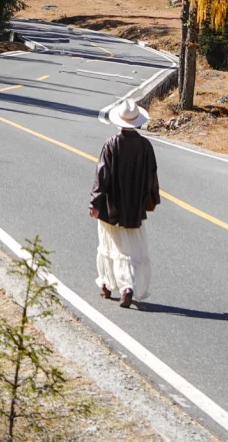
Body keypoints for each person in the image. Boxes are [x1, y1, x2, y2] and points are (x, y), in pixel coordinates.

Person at [89, 96, 159, 307]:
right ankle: (128, 287)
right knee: (131, 250)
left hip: (111, 207)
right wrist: (152, 199)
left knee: (108, 244)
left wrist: (95, 202)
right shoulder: (146, 146)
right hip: (134, 209)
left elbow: (102, 176)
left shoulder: (111, 145)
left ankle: (107, 285)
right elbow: (152, 176)